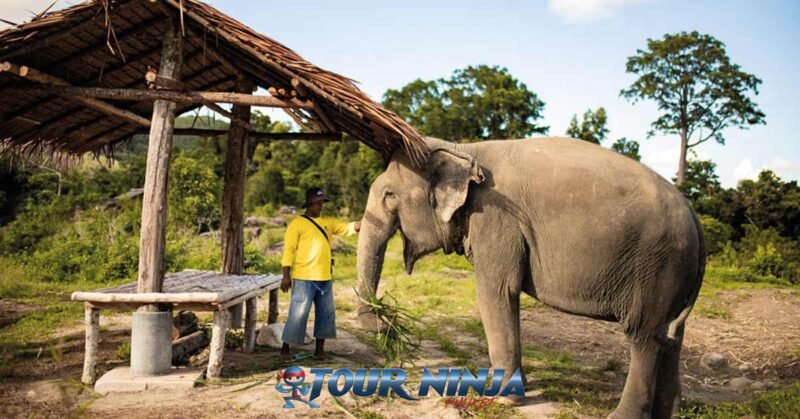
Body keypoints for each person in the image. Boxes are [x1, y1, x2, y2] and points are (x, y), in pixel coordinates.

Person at [280, 187, 361, 361]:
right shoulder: (297, 224)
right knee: (298, 314)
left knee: (325, 315)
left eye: (322, 202)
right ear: (309, 204)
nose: (321, 206)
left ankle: (319, 351)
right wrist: (286, 276)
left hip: (325, 278)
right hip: (303, 277)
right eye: (318, 202)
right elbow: (288, 250)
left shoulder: (328, 222)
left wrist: (363, 222)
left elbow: (347, 228)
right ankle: (285, 349)